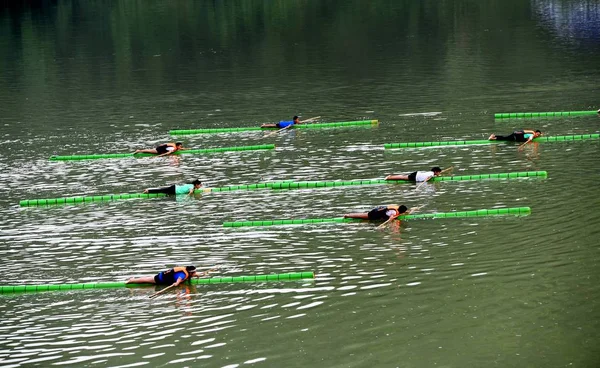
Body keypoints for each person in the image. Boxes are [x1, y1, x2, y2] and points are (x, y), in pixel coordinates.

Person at [126, 265, 207, 286]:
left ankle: (133, 279)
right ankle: (131, 281)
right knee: (145, 280)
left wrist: (203, 274)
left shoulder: (187, 272)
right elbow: (179, 278)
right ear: (190, 272)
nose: (195, 274)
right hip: (160, 279)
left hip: (164, 277)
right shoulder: (183, 274)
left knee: (147, 279)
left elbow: (196, 274)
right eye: (194, 272)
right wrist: (177, 283)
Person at [343, 204, 412, 221]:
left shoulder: (396, 207)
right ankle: (348, 216)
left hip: (377, 210)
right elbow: (391, 218)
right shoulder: (394, 213)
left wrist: (407, 212)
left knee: (363, 215)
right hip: (376, 214)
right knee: (362, 216)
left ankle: (349, 215)